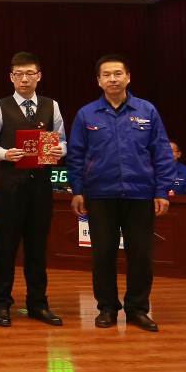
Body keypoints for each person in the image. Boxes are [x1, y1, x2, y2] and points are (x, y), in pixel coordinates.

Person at [67, 54, 174, 332]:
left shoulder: (147, 110)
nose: (112, 79)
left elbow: (162, 152)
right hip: (100, 195)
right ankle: (107, 308)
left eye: (117, 74)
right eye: (107, 75)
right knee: (103, 254)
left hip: (140, 195)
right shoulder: (86, 114)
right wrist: (77, 190)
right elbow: (76, 155)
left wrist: (162, 190)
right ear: (98, 81)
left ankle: (138, 309)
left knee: (141, 255)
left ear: (128, 77)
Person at [0, 52, 65, 328]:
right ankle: (1, 302)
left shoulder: (51, 106)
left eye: (30, 73)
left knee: (37, 247)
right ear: (11, 77)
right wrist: (5, 154)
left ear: (39, 76)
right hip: (10, 186)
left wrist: (59, 150)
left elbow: (63, 141)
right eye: (19, 74)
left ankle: (38, 303)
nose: (25, 79)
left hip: (41, 186)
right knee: (5, 246)